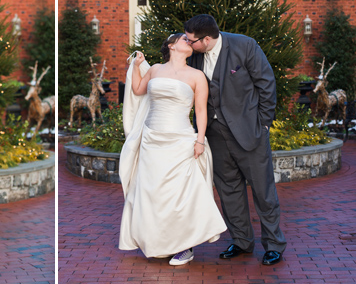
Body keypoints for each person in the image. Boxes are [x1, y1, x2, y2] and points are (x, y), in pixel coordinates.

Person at [184, 14, 286, 266]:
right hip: (214, 134)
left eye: (191, 40)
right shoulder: (194, 54)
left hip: (249, 131)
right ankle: (242, 241)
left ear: (207, 39)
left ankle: (273, 245)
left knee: (263, 191)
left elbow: (266, 83)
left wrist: (263, 123)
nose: (187, 43)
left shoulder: (245, 45)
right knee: (229, 191)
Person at [118, 33, 227, 265]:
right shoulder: (155, 69)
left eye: (191, 40)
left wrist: (199, 140)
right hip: (152, 141)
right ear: (171, 45)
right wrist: (136, 66)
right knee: (153, 193)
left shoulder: (197, 76)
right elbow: (138, 90)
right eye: (184, 39)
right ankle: (161, 243)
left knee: (181, 194)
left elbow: (201, 111)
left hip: (181, 141)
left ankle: (185, 247)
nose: (190, 41)